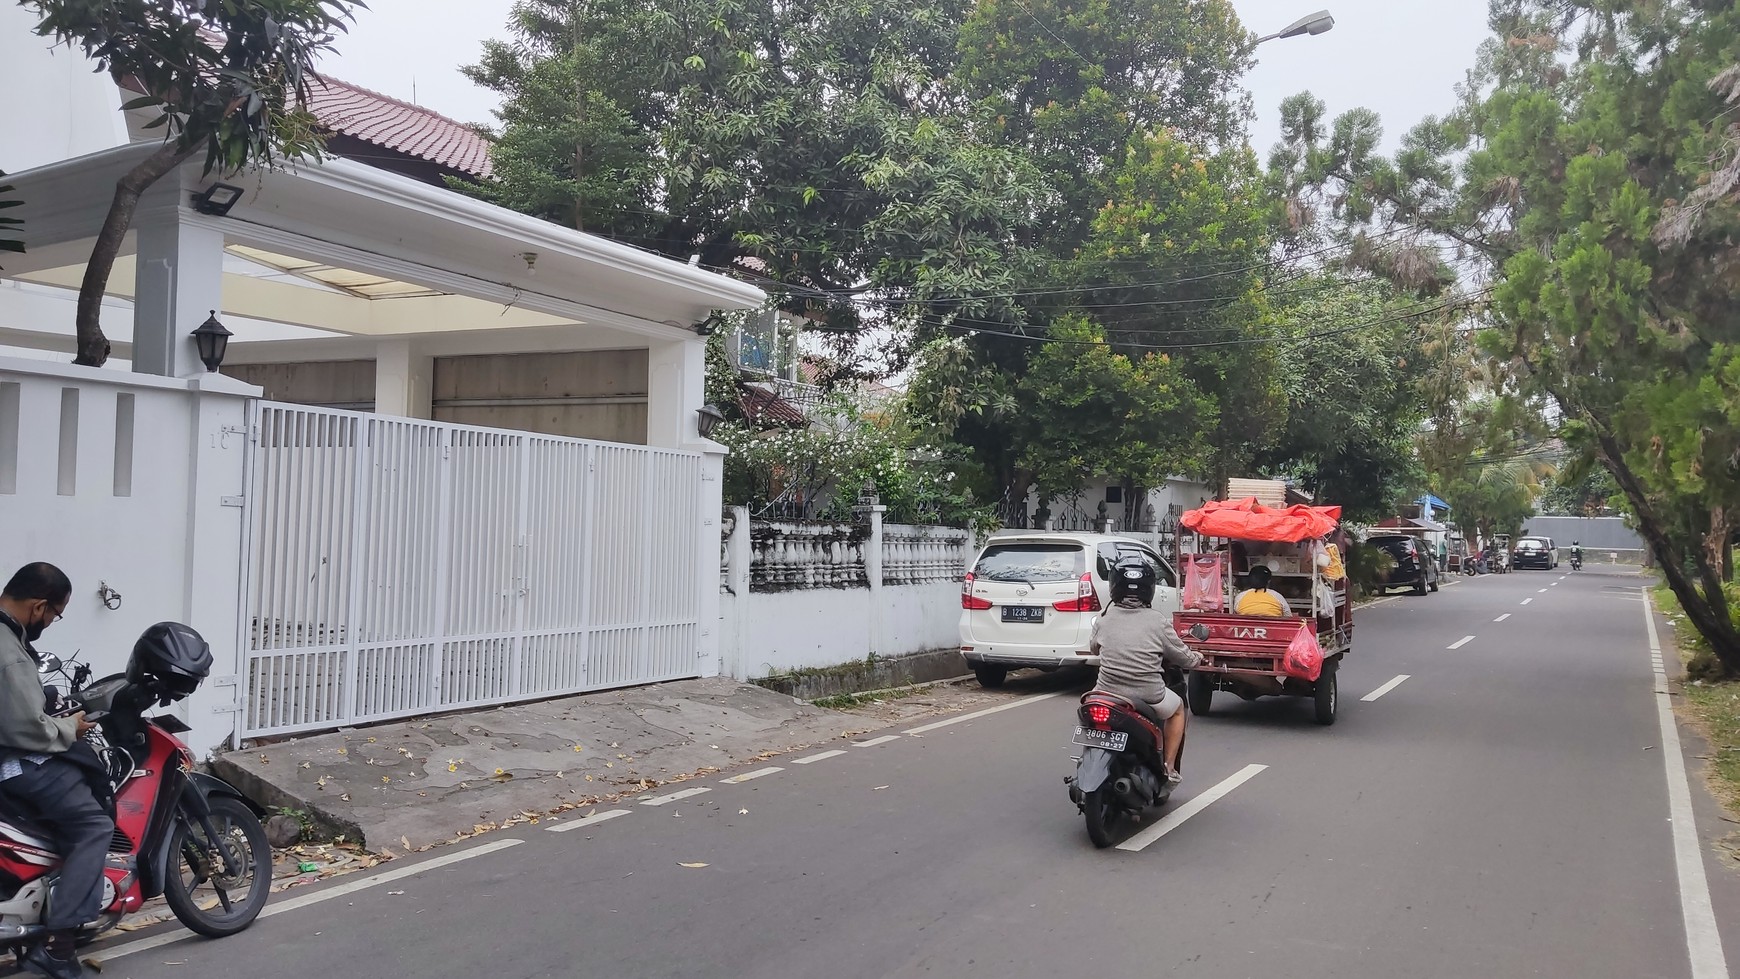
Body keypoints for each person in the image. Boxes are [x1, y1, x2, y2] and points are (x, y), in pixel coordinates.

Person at [0, 564, 111, 979]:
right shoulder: (9, 652)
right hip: (13, 765)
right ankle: (60, 948)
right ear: (39, 606)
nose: (50, 622)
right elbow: (27, 728)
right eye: (54, 614)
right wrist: (72, 726)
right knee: (93, 825)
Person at [1089, 560, 1202, 783]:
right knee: (1178, 708)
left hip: (1105, 692)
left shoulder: (1103, 619)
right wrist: (1197, 658)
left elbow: (1094, 647)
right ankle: (1168, 768)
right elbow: (1182, 657)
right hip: (1149, 695)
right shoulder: (1157, 621)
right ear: (1149, 589)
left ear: (1114, 587)